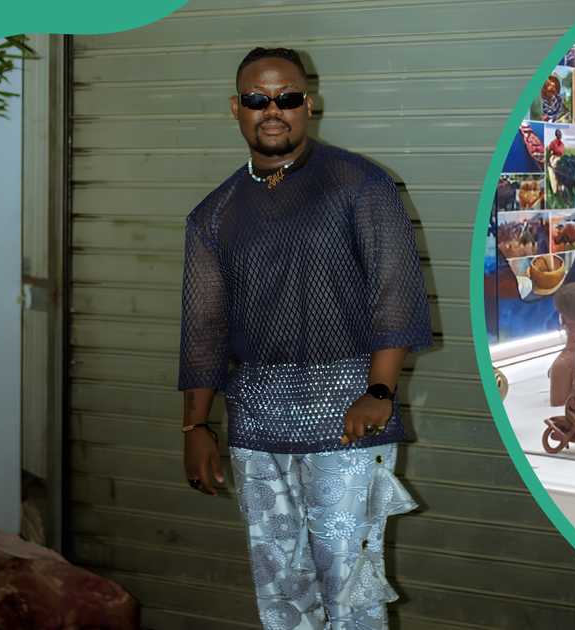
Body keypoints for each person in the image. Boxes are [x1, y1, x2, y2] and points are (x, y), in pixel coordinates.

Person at [178, 46, 433, 629]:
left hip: (348, 414)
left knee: (349, 585)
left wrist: (381, 392)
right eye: (257, 99)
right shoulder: (213, 215)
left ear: (308, 104)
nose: (274, 110)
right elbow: (203, 329)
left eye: (287, 97)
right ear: (236, 109)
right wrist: (196, 426)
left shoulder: (361, 185)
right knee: (280, 587)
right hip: (256, 422)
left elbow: (393, 293)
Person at [547, 128, 566, 195]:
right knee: (553, 178)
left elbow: (562, 154)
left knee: (560, 177)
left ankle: (561, 192)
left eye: (560, 134)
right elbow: (549, 152)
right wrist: (549, 162)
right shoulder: (553, 143)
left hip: (559, 161)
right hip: (553, 160)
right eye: (558, 134)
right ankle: (555, 193)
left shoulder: (562, 144)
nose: (560, 135)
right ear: (556, 135)